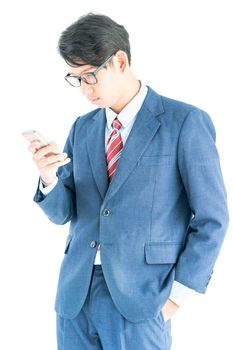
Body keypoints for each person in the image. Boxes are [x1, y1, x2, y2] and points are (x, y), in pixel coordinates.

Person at [28, 13, 229, 350]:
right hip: (75, 295)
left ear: (119, 60)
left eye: (90, 76)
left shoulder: (184, 122)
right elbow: (66, 213)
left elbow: (212, 218)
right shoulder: (83, 127)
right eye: (76, 79)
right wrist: (48, 178)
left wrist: (177, 296)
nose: (85, 89)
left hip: (142, 297)